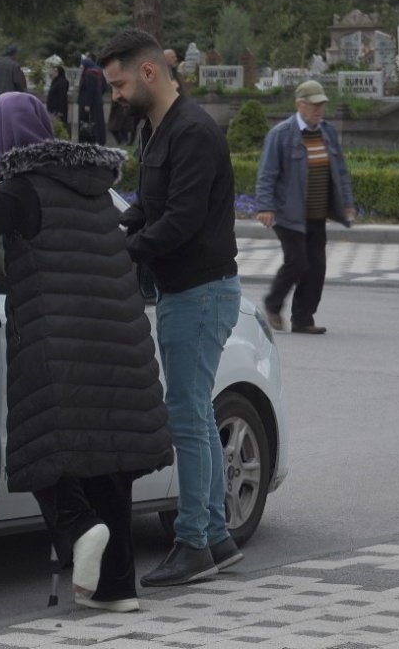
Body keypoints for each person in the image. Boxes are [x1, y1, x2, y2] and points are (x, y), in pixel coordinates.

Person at [0, 92, 172, 612]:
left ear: (3, 139)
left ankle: (79, 528)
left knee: (43, 451)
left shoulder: (22, 190)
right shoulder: (94, 187)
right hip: (120, 341)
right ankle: (116, 590)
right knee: (107, 461)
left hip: (57, 342)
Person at [98, 29, 241, 587]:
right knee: (197, 416)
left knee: (186, 418)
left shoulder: (194, 132)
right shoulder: (152, 130)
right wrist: (107, 228)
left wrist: (122, 251)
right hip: (186, 292)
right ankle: (216, 538)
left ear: (149, 73)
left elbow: (179, 223)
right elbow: (148, 208)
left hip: (200, 293)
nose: (114, 94)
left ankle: (193, 542)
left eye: (119, 83)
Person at [255, 80, 356, 335]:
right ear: (300, 105)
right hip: (289, 214)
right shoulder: (281, 134)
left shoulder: (328, 132)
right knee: (298, 262)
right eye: (314, 105)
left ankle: (303, 319)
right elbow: (267, 174)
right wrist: (266, 206)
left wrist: (346, 204)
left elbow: (340, 172)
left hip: (317, 214)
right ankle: (272, 303)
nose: (319, 110)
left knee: (317, 269)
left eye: (321, 104)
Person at [77, 57, 107, 145]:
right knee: (98, 121)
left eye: (82, 65)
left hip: (88, 103)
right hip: (97, 102)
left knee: (87, 122)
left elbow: (89, 90)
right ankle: (100, 139)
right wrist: (98, 95)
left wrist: (87, 104)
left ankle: (88, 140)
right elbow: (104, 87)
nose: (81, 67)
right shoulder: (99, 72)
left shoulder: (89, 73)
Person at [46, 58, 69, 127]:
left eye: (56, 71)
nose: (54, 72)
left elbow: (62, 97)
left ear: (60, 72)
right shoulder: (55, 81)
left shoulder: (62, 82)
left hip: (58, 110)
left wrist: (60, 111)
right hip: (53, 109)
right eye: (54, 71)